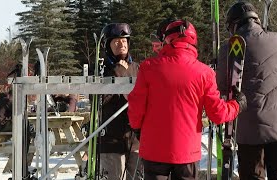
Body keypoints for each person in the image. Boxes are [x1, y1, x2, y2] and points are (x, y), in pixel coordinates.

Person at [127, 19, 247, 180]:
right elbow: (217, 114)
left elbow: (136, 105)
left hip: (154, 149)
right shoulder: (204, 73)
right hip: (186, 153)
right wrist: (236, 105)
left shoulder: (148, 67)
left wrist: (137, 129)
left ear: (167, 40)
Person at [216, 2, 277, 179]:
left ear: (234, 24)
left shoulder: (227, 49)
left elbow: (222, 85)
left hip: (248, 129)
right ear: (256, 19)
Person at [96, 23, 140, 180]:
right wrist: (118, 73)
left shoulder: (137, 68)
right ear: (108, 45)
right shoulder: (102, 70)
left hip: (134, 140)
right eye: (116, 41)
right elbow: (100, 100)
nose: (121, 44)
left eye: (124, 41)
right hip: (111, 142)